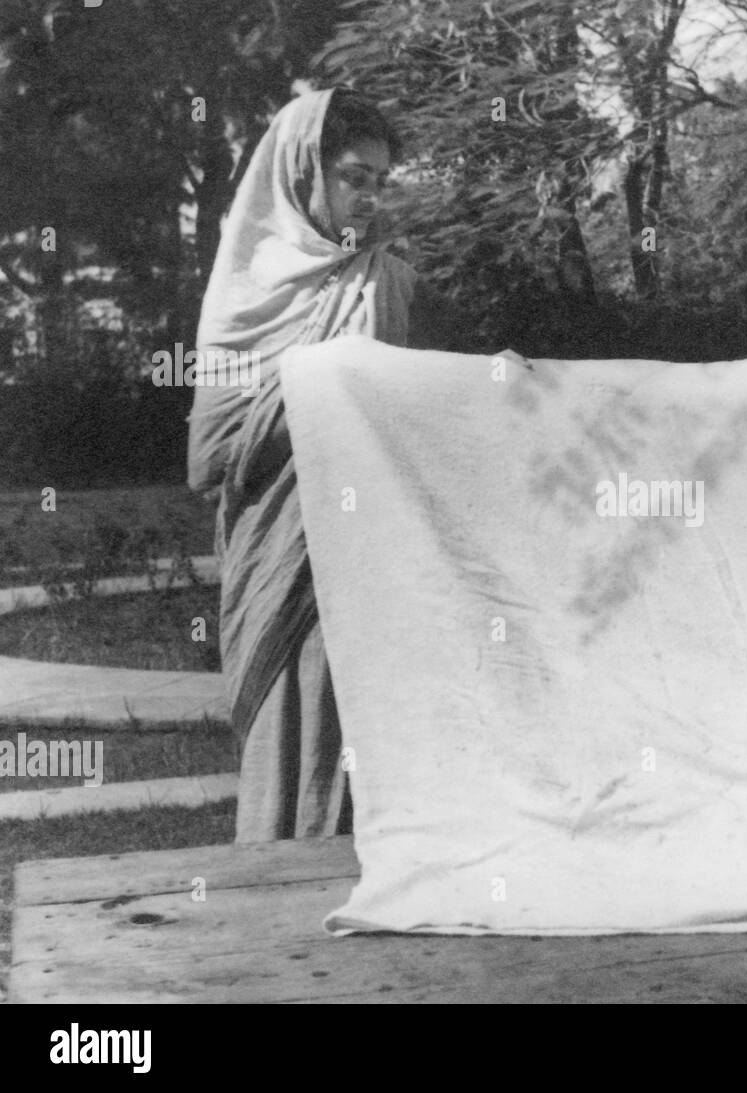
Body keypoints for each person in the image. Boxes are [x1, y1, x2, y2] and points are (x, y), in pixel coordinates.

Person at [187, 88, 421, 842]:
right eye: (356, 176)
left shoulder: (386, 281)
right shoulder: (245, 293)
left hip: (364, 556)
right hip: (280, 557)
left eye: (381, 181)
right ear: (302, 174)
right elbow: (211, 454)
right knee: (287, 729)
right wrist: (320, 387)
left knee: (364, 747)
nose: (370, 197)